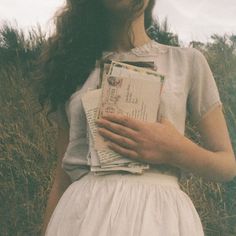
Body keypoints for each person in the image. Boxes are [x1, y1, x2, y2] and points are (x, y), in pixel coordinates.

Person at [38, 0, 236, 235]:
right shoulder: (72, 70)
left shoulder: (188, 61)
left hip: (160, 218)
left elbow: (226, 165)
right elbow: (61, 180)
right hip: (82, 215)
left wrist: (174, 149)